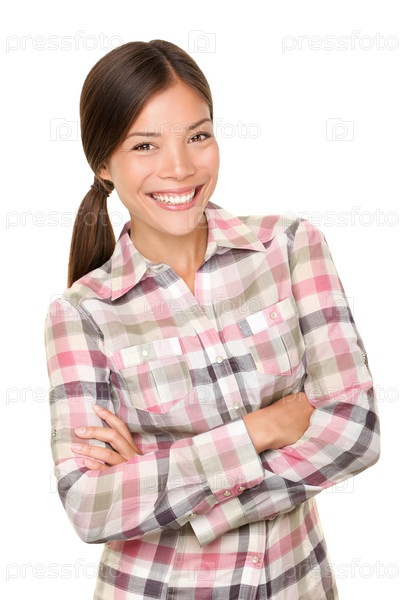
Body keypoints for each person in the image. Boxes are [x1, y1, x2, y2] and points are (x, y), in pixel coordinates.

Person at [44, 40, 380, 600]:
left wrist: (166, 479)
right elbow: (89, 505)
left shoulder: (290, 247)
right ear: (103, 165)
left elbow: (355, 431)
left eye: (198, 136)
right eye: (145, 145)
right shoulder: (82, 314)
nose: (179, 168)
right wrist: (260, 429)